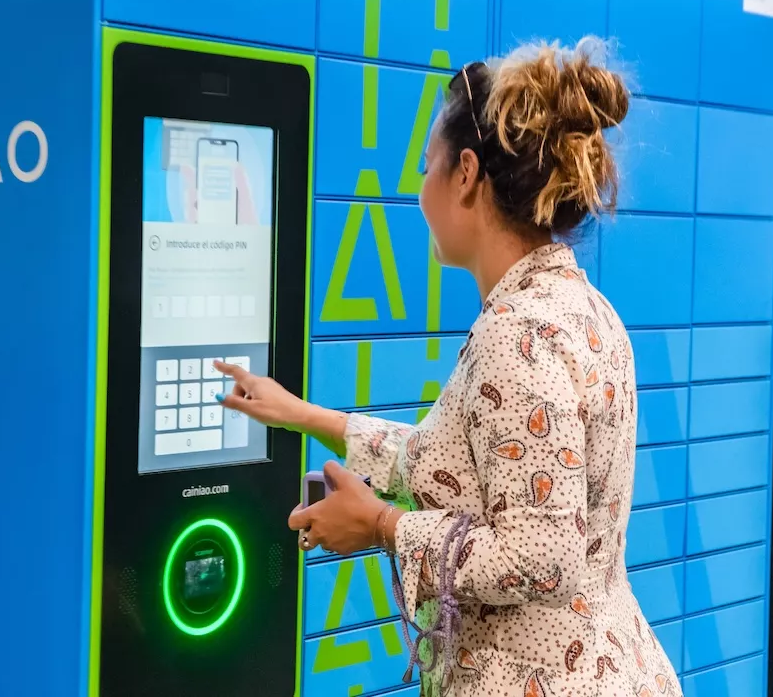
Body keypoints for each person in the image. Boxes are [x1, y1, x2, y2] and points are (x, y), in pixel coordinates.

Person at [215, 38, 682, 697]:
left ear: (465, 174)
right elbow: (478, 465)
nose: (420, 187)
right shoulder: (584, 308)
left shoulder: (516, 335)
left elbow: (540, 558)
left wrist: (380, 524)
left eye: (427, 165)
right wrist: (299, 414)